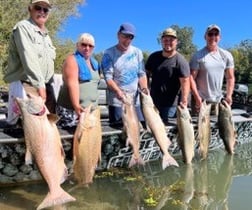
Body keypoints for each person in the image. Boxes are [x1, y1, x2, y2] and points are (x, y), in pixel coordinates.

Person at [4, 0, 56, 127]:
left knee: (47, 128)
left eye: (46, 10)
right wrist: (40, 86)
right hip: (26, 84)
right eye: (38, 8)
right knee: (26, 128)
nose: (42, 12)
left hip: (44, 85)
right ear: (30, 9)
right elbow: (29, 58)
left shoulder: (47, 36)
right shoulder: (23, 27)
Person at [101, 22, 148, 127]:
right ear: (118, 35)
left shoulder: (137, 52)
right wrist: (118, 91)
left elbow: (141, 74)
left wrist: (144, 89)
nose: (127, 40)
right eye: (125, 36)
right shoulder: (108, 53)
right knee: (118, 135)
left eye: (130, 37)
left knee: (138, 131)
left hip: (135, 101)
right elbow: (108, 78)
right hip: (117, 102)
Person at [145, 27, 190, 125]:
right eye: (165, 40)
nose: (168, 42)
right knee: (151, 129)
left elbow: (185, 82)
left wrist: (184, 100)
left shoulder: (180, 61)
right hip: (153, 103)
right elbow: (145, 74)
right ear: (161, 41)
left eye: (171, 40)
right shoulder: (153, 57)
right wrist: (146, 88)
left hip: (170, 106)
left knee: (167, 132)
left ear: (176, 42)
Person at [190, 24, 235, 115]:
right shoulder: (198, 56)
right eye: (210, 34)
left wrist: (229, 95)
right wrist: (197, 97)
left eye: (216, 34)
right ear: (205, 37)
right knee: (199, 128)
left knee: (217, 128)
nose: (213, 37)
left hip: (218, 101)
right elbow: (191, 78)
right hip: (201, 101)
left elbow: (230, 78)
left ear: (220, 37)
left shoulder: (226, 55)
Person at [57, 33, 100, 128]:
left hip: (90, 111)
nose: (87, 48)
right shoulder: (71, 60)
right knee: (71, 141)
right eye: (84, 44)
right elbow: (72, 84)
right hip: (73, 110)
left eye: (90, 46)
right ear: (77, 45)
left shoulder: (95, 63)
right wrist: (76, 105)